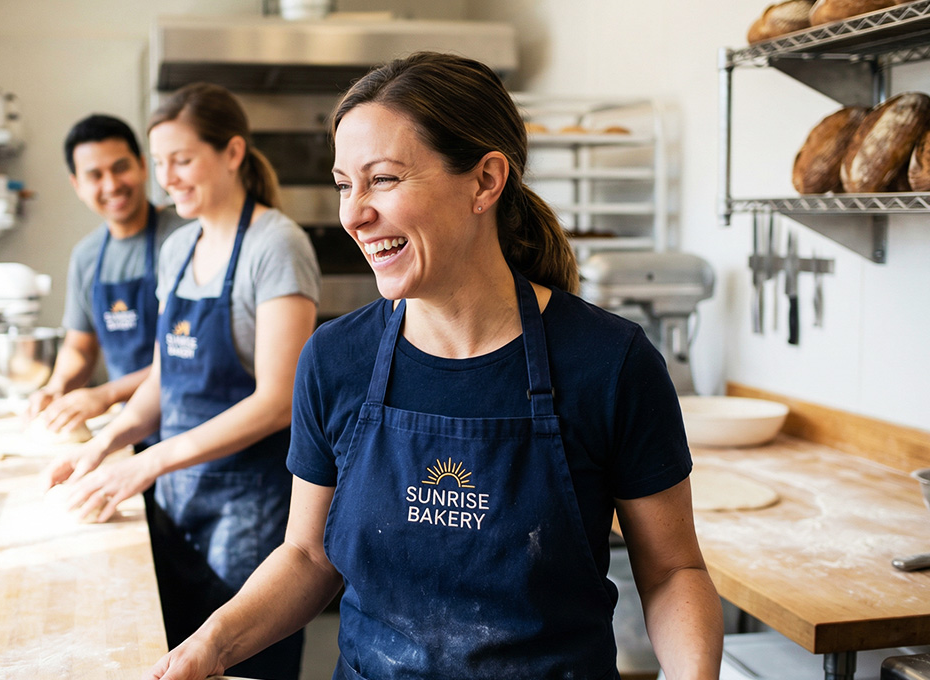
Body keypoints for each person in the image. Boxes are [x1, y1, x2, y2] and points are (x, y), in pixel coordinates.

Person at [142, 52, 724, 680]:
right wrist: (212, 646)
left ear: (484, 182)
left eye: (384, 180)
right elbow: (309, 556)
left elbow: (671, 572)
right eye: (345, 183)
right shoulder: (336, 360)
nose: (353, 213)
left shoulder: (609, 363)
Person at [42, 83, 320, 680]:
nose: (167, 177)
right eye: (160, 161)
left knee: (247, 667)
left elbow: (277, 402)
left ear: (233, 152)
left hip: (250, 510)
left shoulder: (276, 246)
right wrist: (103, 445)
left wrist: (147, 464)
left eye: (183, 159)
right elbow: (168, 378)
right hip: (177, 502)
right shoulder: (179, 248)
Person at [26, 114, 188, 440]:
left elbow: (187, 355)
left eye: (120, 167)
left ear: (143, 166)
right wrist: (57, 387)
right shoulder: (87, 257)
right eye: (95, 175)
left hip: (190, 427)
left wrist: (105, 394)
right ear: (77, 185)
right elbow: (80, 347)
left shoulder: (186, 238)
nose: (112, 185)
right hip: (129, 431)